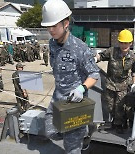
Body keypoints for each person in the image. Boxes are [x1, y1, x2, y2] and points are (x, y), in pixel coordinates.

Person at [41, 0, 100, 153]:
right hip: (58, 98)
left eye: (54, 26)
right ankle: (84, 131)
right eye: (48, 26)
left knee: (72, 148)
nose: (51, 30)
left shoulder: (80, 48)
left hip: (75, 102)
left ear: (66, 23)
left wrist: (81, 88)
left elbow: (94, 74)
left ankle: (79, 133)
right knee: (50, 131)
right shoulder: (52, 44)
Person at [95, 29, 135, 134]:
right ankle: (115, 122)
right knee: (110, 106)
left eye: (126, 43)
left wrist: (134, 83)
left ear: (130, 43)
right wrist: (95, 58)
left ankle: (119, 124)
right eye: (122, 43)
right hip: (110, 84)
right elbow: (101, 56)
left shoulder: (133, 57)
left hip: (123, 86)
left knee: (119, 107)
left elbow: (134, 72)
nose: (124, 46)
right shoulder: (112, 51)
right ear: (119, 42)